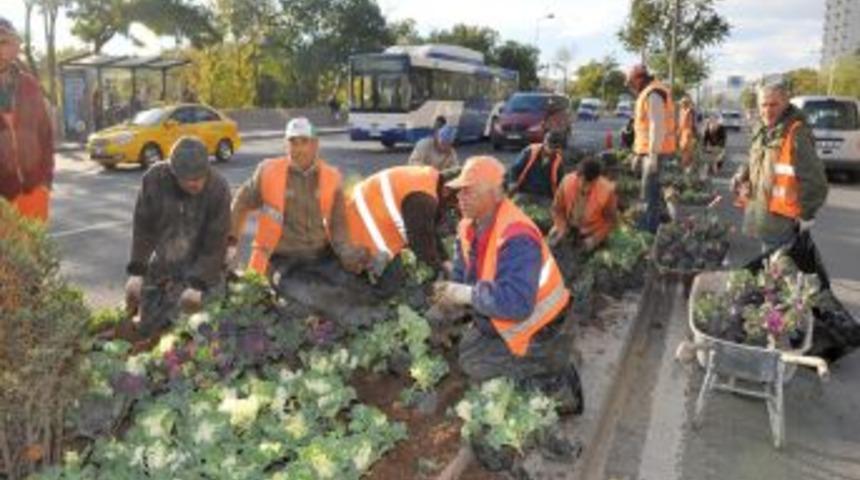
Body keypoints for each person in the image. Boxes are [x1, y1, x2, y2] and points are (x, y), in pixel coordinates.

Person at [431, 155, 583, 414]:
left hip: (541, 326)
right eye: (459, 192)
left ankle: (554, 383)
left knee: (475, 364)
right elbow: (461, 274)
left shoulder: (517, 235)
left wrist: (465, 294)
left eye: (469, 191)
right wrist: (445, 303)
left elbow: (517, 304)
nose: (460, 198)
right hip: (513, 318)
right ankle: (544, 361)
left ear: (493, 194)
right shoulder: (468, 226)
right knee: (468, 351)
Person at [229, 117, 378, 330]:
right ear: (285, 144)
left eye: (304, 141)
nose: (298, 148)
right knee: (310, 294)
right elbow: (241, 202)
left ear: (315, 144)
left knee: (359, 288)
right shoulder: (268, 171)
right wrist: (231, 241)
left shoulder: (331, 177)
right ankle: (347, 323)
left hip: (320, 256)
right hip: (283, 261)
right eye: (293, 142)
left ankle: (357, 321)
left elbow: (338, 226)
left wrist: (347, 253)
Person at [125, 137, 232, 338]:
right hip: (164, 261)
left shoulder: (218, 188)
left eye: (200, 177)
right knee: (149, 328)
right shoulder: (154, 179)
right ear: (173, 172)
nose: (195, 183)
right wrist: (137, 271)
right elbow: (143, 228)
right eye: (188, 179)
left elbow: (215, 243)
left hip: (205, 264)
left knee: (199, 327)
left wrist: (197, 285)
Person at [731, 81, 828, 252]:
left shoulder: (796, 133)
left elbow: (816, 182)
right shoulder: (761, 129)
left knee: (779, 273)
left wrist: (806, 215)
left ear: (785, 102)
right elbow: (754, 159)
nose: (767, 110)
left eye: (773, 104)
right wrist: (741, 175)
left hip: (784, 225)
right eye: (763, 105)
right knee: (770, 271)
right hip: (763, 218)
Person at [345, 165, 458, 291]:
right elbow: (421, 243)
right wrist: (440, 270)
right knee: (392, 287)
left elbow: (427, 230)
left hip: (352, 221)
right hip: (359, 234)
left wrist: (445, 260)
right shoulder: (423, 200)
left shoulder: (426, 180)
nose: (450, 209)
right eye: (452, 204)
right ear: (446, 191)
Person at [0, 17, 54, 222]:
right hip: (2, 199)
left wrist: (45, 181)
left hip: (35, 193)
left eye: (4, 42)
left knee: (36, 253)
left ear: (15, 46)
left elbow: (45, 135)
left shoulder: (29, 84)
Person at [627, 64, 676, 233]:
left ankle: (649, 232)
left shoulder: (653, 93)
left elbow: (657, 126)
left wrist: (653, 156)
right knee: (654, 193)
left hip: (656, 153)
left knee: (649, 195)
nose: (631, 87)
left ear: (639, 79)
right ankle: (663, 225)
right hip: (651, 152)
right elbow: (644, 129)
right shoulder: (650, 92)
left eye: (632, 83)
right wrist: (637, 153)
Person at [549, 158, 618, 252]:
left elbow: (610, 221)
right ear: (578, 175)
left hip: (591, 230)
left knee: (588, 255)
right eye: (584, 182)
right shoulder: (567, 181)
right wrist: (561, 228)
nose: (586, 187)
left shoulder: (607, 190)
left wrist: (594, 239)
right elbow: (557, 209)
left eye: (591, 184)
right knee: (552, 240)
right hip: (567, 225)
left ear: (597, 179)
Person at [506, 130, 565, 200]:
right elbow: (514, 169)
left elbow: (560, 182)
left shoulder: (558, 161)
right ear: (544, 143)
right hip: (524, 192)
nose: (552, 150)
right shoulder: (530, 151)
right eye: (550, 147)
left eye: (555, 148)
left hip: (545, 197)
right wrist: (512, 182)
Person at [678, 95, 698, 171]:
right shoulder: (682, 111)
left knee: (687, 151)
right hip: (684, 133)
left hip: (688, 133)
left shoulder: (689, 111)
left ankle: (687, 167)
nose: (681, 105)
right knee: (684, 151)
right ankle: (686, 166)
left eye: (683, 103)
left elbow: (686, 123)